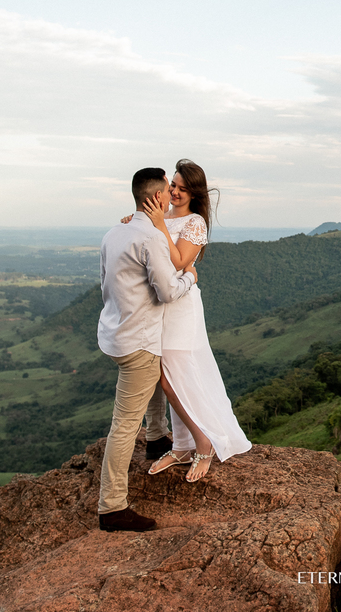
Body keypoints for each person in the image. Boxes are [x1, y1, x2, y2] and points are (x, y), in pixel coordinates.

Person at [135, 159, 253, 482]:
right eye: (172, 185)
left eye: (182, 189)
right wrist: (137, 222)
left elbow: (178, 262)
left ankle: (203, 443)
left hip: (181, 308)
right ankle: (183, 445)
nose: (174, 192)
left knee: (171, 378)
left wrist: (158, 224)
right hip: (158, 307)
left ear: (194, 194)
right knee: (171, 375)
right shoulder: (161, 216)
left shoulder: (195, 223)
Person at [97, 168, 197, 533]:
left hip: (114, 333)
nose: (171, 195)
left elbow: (105, 283)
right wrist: (190, 277)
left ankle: (156, 437)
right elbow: (167, 291)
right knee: (124, 426)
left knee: (154, 374)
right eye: (168, 190)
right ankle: (112, 506)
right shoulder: (151, 238)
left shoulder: (114, 233)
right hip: (137, 340)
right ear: (155, 197)